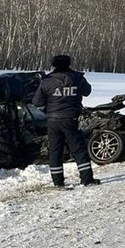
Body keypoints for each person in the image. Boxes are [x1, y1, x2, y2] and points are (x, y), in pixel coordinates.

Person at [33, 54, 100, 187]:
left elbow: (36, 101)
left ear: (53, 65)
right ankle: (87, 179)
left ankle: (58, 182)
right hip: (70, 119)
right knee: (78, 149)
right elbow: (87, 91)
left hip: (52, 120)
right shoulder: (77, 78)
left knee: (55, 151)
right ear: (69, 64)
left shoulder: (47, 81)